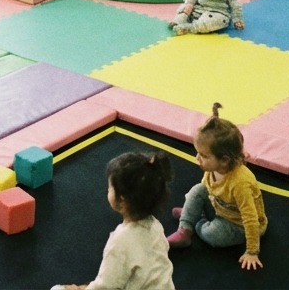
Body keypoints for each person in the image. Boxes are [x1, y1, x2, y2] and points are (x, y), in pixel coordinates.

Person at [54, 151, 176, 290]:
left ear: (122, 200)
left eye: (110, 188)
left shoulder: (120, 242)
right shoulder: (155, 225)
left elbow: (105, 287)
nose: (108, 190)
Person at [167, 103, 266, 271]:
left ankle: (195, 220)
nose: (197, 158)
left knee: (212, 236)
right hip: (221, 206)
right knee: (197, 190)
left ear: (224, 160)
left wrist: (252, 251)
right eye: (198, 152)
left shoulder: (240, 183)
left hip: (238, 225)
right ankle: (185, 230)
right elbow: (206, 190)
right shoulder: (213, 168)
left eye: (204, 156)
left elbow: (250, 219)